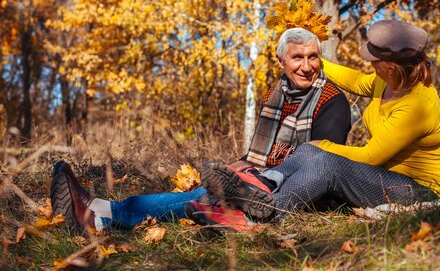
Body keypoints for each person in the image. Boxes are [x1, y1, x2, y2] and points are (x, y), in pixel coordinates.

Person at [51, 28, 352, 233]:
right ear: (280, 61)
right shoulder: (275, 96)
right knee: (206, 190)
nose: (306, 66)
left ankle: (100, 214)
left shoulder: (332, 102)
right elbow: (260, 154)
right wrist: (240, 165)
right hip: (265, 180)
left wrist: (251, 178)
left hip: (293, 194)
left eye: (313, 57)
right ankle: (103, 213)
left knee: (208, 195)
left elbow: (319, 166)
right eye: (297, 57)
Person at [190, 19, 440, 224]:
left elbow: (371, 156)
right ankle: (259, 186)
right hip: (384, 178)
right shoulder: (388, 81)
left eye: (373, 61)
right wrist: (312, 59)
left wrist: (322, 145)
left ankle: (269, 211)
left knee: (324, 161)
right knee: (311, 151)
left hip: (416, 190)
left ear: (390, 67)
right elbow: (356, 81)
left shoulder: (418, 104)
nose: (368, 63)